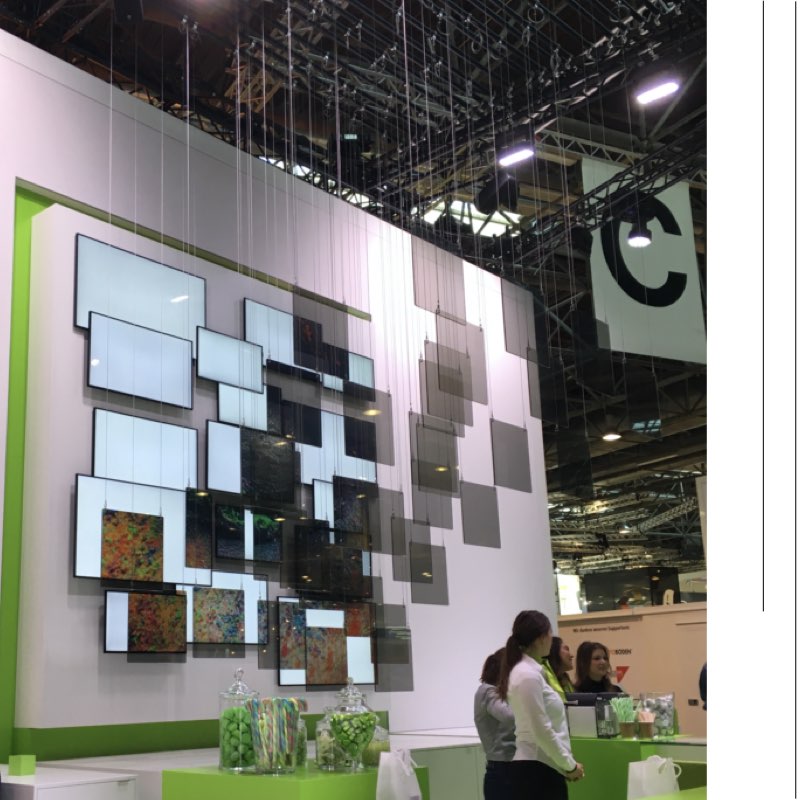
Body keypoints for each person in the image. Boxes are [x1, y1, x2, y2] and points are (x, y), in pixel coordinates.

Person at [498, 610, 584, 799]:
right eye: (550, 633)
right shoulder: (527, 675)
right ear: (540, 638)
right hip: (538, 770)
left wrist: (564, 764)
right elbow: (541, 729)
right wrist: (569, 765)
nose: (552, 639)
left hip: (542, 767)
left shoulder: (529, 672)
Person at [474, 648, 515, 800]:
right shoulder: (488, 691)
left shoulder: (499, 692)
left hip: (509, 768)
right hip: (503, 769)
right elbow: (509, 716)